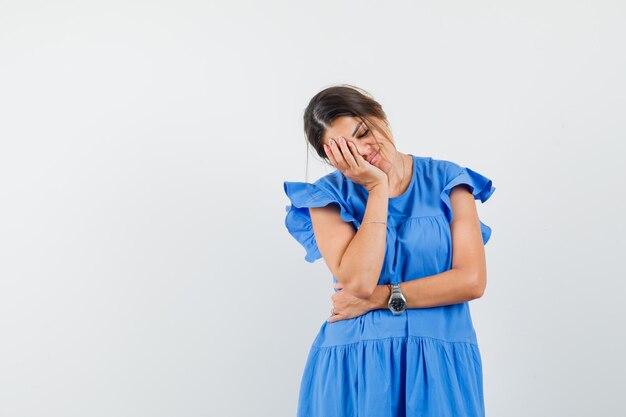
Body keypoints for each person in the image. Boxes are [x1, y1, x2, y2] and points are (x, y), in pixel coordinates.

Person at [283, 84, 496, 417]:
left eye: (364, 132)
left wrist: (384, 297)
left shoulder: (448, 180)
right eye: (346, 151)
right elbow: (359, 282)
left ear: (378, 114)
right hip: (358, 366)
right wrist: (376, 188)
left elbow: (471, 280)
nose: (364, 151)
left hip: (442, 365)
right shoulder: (326, 198)